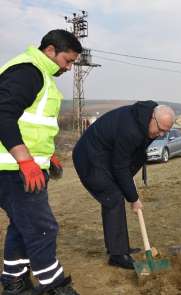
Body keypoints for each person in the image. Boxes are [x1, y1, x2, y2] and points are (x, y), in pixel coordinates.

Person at [0, 29, 81, 295]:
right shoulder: (28, 71)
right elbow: (3, 114)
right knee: (42, 228)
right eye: (67, 61)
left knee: (22, 225)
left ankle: (14, 281)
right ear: (50, 51)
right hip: (14, 170)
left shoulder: (41, 74)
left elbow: (34, 126)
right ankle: (55, 286)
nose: (69, 68)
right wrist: (25, 160)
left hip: (21, 168)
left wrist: (48, 156)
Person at [72, 102, 175, 269]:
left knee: (116, 195)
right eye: (160, 129)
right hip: (90, 157)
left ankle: (120, 247)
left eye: (166, 131)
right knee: (113, 198)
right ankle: (117, 255)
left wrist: (128, 181)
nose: (161, 134)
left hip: (107, 155)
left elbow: (136, 156)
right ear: (152, 118)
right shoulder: (131, 130)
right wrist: (133, 198)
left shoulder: (146, 123)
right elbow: (120, 166)